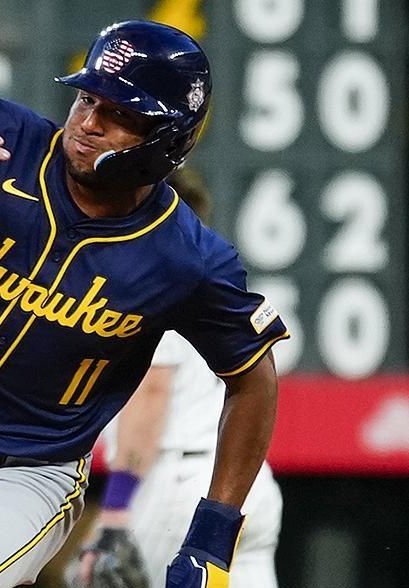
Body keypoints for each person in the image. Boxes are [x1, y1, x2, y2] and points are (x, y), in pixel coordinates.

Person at [0, 20, 289, 588]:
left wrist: (212, 537)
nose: (88, 123)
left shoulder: (185, 258)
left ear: (168, 138)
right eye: (87, 99)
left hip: (25, 476)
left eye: (119, 113)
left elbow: (253, 376)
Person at [68, 168, 284, 588]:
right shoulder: (212, 279)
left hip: (176, 485)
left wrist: (114, 512)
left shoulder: (151, 274)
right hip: (245, 485)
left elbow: (150, 395)